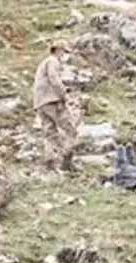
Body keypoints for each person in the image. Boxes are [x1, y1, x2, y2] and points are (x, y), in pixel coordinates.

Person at [32, 39, 79, 173]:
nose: (66, 56)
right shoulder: (53, 61)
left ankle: (49, 163)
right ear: (58, 50)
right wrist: (65, 96)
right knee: (71, 130)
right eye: (65, 52)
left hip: (40, 103)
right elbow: (54, 79)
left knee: (49, 134)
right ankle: (67, 163)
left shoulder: (43, 63)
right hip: (52, 101)